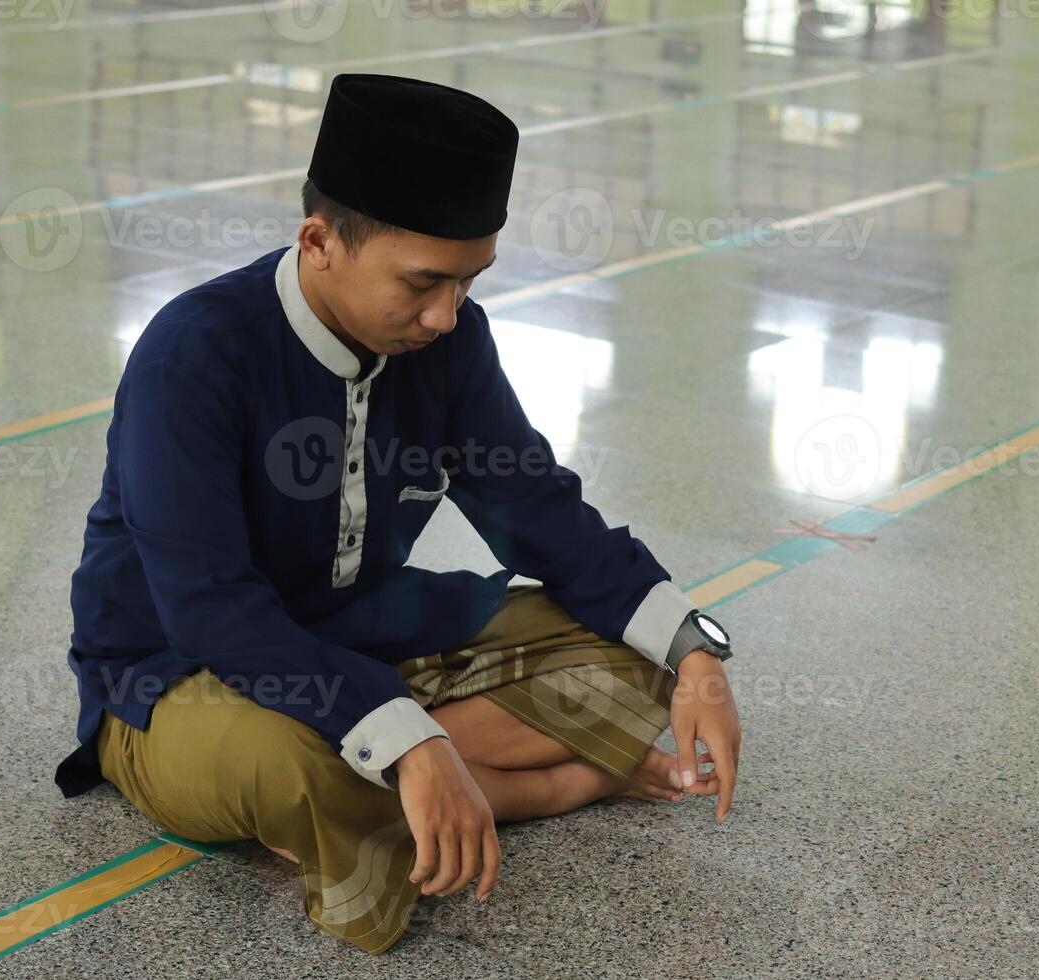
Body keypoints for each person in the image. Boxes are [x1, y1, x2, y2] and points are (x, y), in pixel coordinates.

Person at [54, 73, 742, 953]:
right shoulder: (195, 353)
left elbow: (533, 504)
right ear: (319, 241)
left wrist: (695, 653)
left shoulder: (449, 342)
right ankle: (536, 785)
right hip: (180, 676)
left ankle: (409, 769)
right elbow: (208, 606)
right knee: (294, 764)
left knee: (635, 662)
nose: (446, 316)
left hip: (358, 639)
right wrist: (408, 737)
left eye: (468, 281)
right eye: (423, 283)